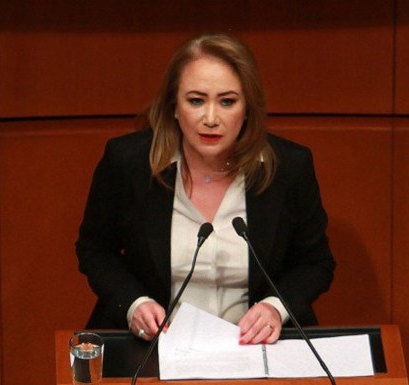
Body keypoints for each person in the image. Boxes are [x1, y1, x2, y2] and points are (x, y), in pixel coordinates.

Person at [75, 33, 335, 345]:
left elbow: (315, 263)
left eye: (227, 102)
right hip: (154, 347)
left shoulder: (289, 167)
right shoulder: (128, 162)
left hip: (254, 348)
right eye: (196, 101)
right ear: (174, 105)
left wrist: (275, 308)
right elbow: (95, 251)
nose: (211, 119)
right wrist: (134, 304)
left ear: (248, 108)